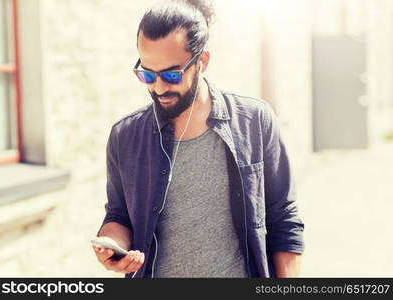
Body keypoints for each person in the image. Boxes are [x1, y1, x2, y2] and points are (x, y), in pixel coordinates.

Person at [93, 0, 304, 278]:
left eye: (171, 74)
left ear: (202, 61)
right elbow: (119, 217)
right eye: (147, 74)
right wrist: (112, 248)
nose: (159, 87)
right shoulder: (125, 136)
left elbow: (283, 218)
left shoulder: (255, 120)